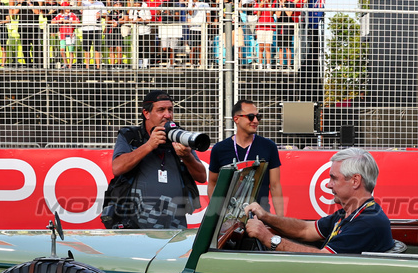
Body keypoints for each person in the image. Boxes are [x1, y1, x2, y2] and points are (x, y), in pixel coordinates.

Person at [242, 148, 394, 254]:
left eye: (333, 178)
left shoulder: (367, 222)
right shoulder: (351, 213)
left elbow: (323, 259)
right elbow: (305, 230)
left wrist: (268, 238)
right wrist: (265, 216)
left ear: (355, 181)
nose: (328, 184)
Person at [106, 90, 208, 230]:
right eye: (161, 110)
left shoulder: (178, 135)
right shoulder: (131, 135)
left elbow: (202, 177)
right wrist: (149, 145)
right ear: (146, 113)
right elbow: (117, 167)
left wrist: (187, 156)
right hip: (134, 225)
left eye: (170, 110)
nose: (168, 115)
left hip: (174, 225)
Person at [207, 99, 285, 214]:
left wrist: (280, 220)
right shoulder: (219, 149)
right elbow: (212, 184)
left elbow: (275, 186)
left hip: (260, 217)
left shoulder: (269, 146)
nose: (255, 121)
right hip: (229, 218)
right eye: (250, 116)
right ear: (236, 119)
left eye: (258, 117)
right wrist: (219, 213)